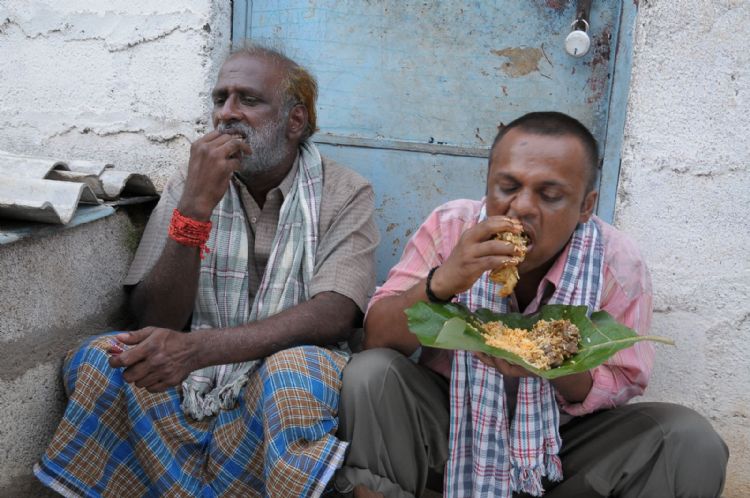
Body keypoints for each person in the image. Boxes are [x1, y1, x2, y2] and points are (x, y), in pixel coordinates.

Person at [33, 44, 379, 497]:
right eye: (220, 99)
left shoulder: (345, 191)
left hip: (278, 374)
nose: (226, 114)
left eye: (248, 100)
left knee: (293, 372)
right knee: (106, 357)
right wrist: (194, 209)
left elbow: (335, 313)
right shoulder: (190, 182)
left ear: (295, 121)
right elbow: (153, 316)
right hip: (194, 376)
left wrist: (199, 349)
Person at [333, 112, 728, 498]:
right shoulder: (450, 228)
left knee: (688, 441)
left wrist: (554, 364)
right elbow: (377, 338)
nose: (521, 207)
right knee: (372, 373)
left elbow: (622, 381)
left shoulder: (617, 264)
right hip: (451, 428)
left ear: (586, 206)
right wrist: (442, 282)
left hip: (560, 447)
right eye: (506, 187)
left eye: (550, 195)